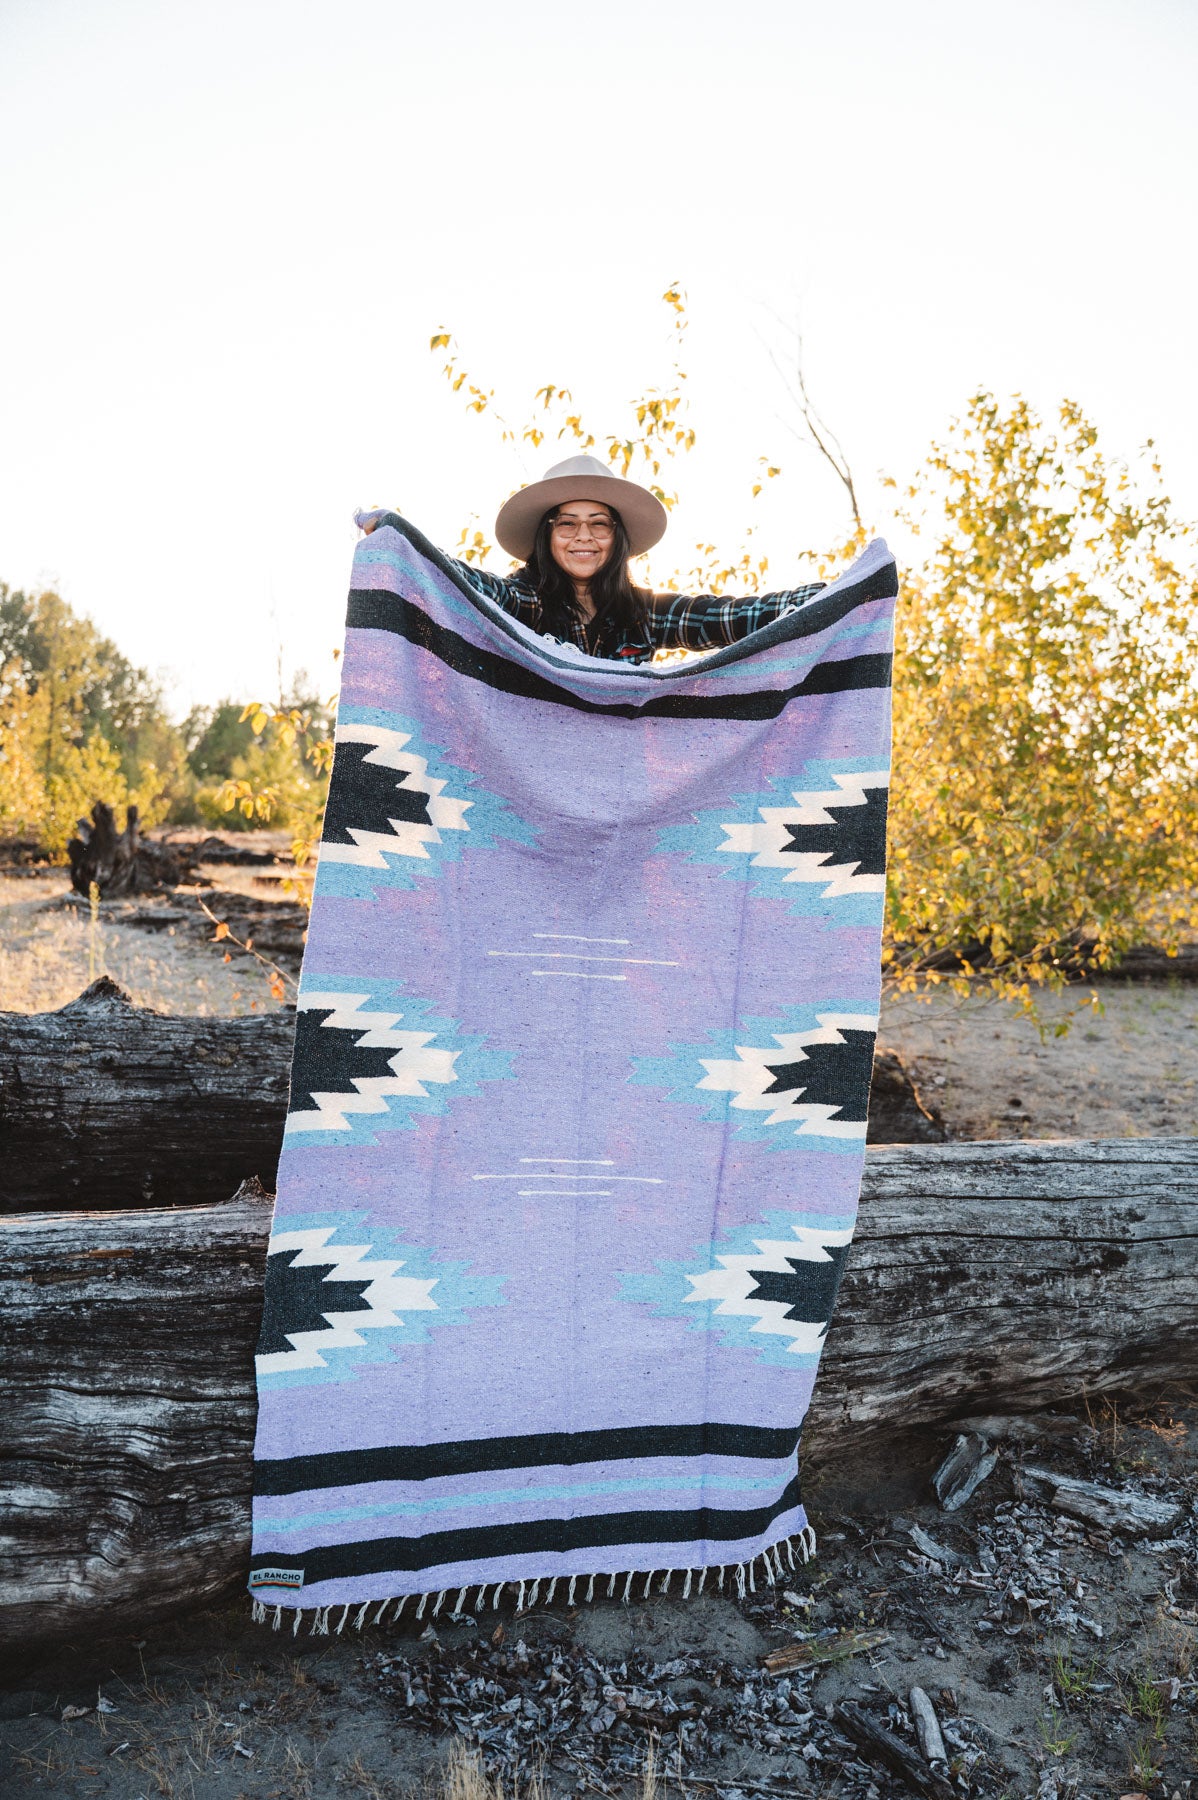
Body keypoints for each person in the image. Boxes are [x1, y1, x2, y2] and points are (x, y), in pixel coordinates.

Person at [356, 453, 825, 664]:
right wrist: (404, 540)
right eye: (567, 523)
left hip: (625, 799)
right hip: (529, 798)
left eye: (599, 523)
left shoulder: (644, 615)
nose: (584, 536)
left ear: (616, 537)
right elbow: (464, 582)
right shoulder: (524, 604)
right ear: (548, 535)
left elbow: (731, 617)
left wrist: (830, 599)